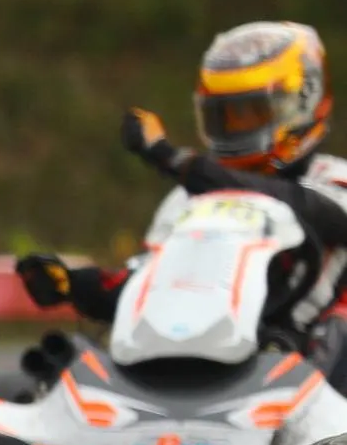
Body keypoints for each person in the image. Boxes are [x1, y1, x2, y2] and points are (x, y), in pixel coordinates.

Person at [17, 21, 347, 350]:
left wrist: (172, 159)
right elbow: (148, 281)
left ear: (303, 101)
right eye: (225, 116)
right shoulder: (190, 197)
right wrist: (76, 285)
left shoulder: (332, 178)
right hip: (218, 360)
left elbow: (305, 207)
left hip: (313, 362)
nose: (234, 129)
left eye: (250, 113)